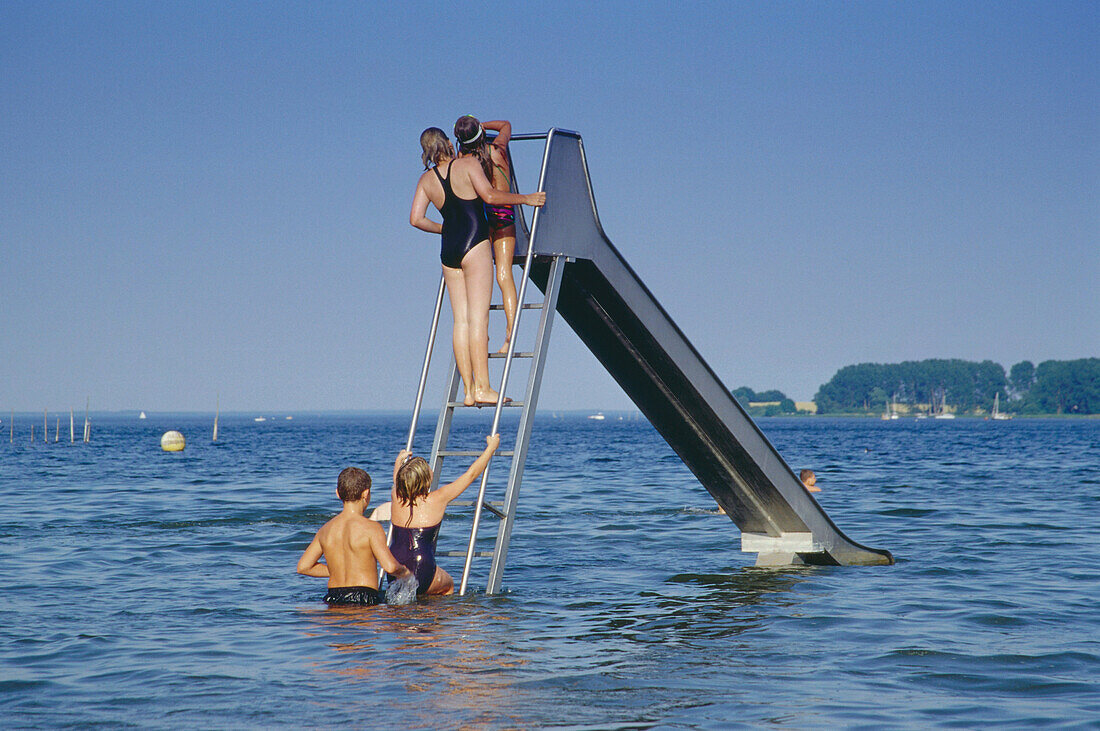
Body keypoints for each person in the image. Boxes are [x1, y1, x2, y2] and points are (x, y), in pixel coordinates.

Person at [410, 124, 545, 406]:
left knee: (460, 320)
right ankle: (483, 387)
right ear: (448, 143)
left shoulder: (426, 180)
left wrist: (444, 229)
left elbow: (416, 219)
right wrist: (526, 199)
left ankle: (469, 391)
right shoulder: (467, 164)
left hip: (449, 250)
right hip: (475, 244)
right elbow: (491, 196)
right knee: (478, 318)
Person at [387, 433, 501, 595]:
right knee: (449, 586)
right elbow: (471, 474)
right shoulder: (438, 498)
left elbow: (398, 482)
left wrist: (398, 462)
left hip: (394, 566)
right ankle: (434, 618)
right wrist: (491, 448)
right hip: (423, 566)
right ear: (427, 479)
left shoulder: (396, 496)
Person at [297, 466, 413, 606]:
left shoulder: (325, 530)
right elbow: (390, 567)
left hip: (333, 597)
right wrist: (406, 573)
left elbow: (303, 567)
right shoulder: (372, 528)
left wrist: (336, 570)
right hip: (364, 597)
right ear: (366, 494)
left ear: (338, 494)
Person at [462, 117, 520, 353]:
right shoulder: (498, 150)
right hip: (504, 215)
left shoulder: (466, 161)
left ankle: (480, 335)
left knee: (479, 281)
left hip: (481, 219)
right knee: (504, 274)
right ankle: (510, 334)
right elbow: (507, 124)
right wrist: (482, 124)